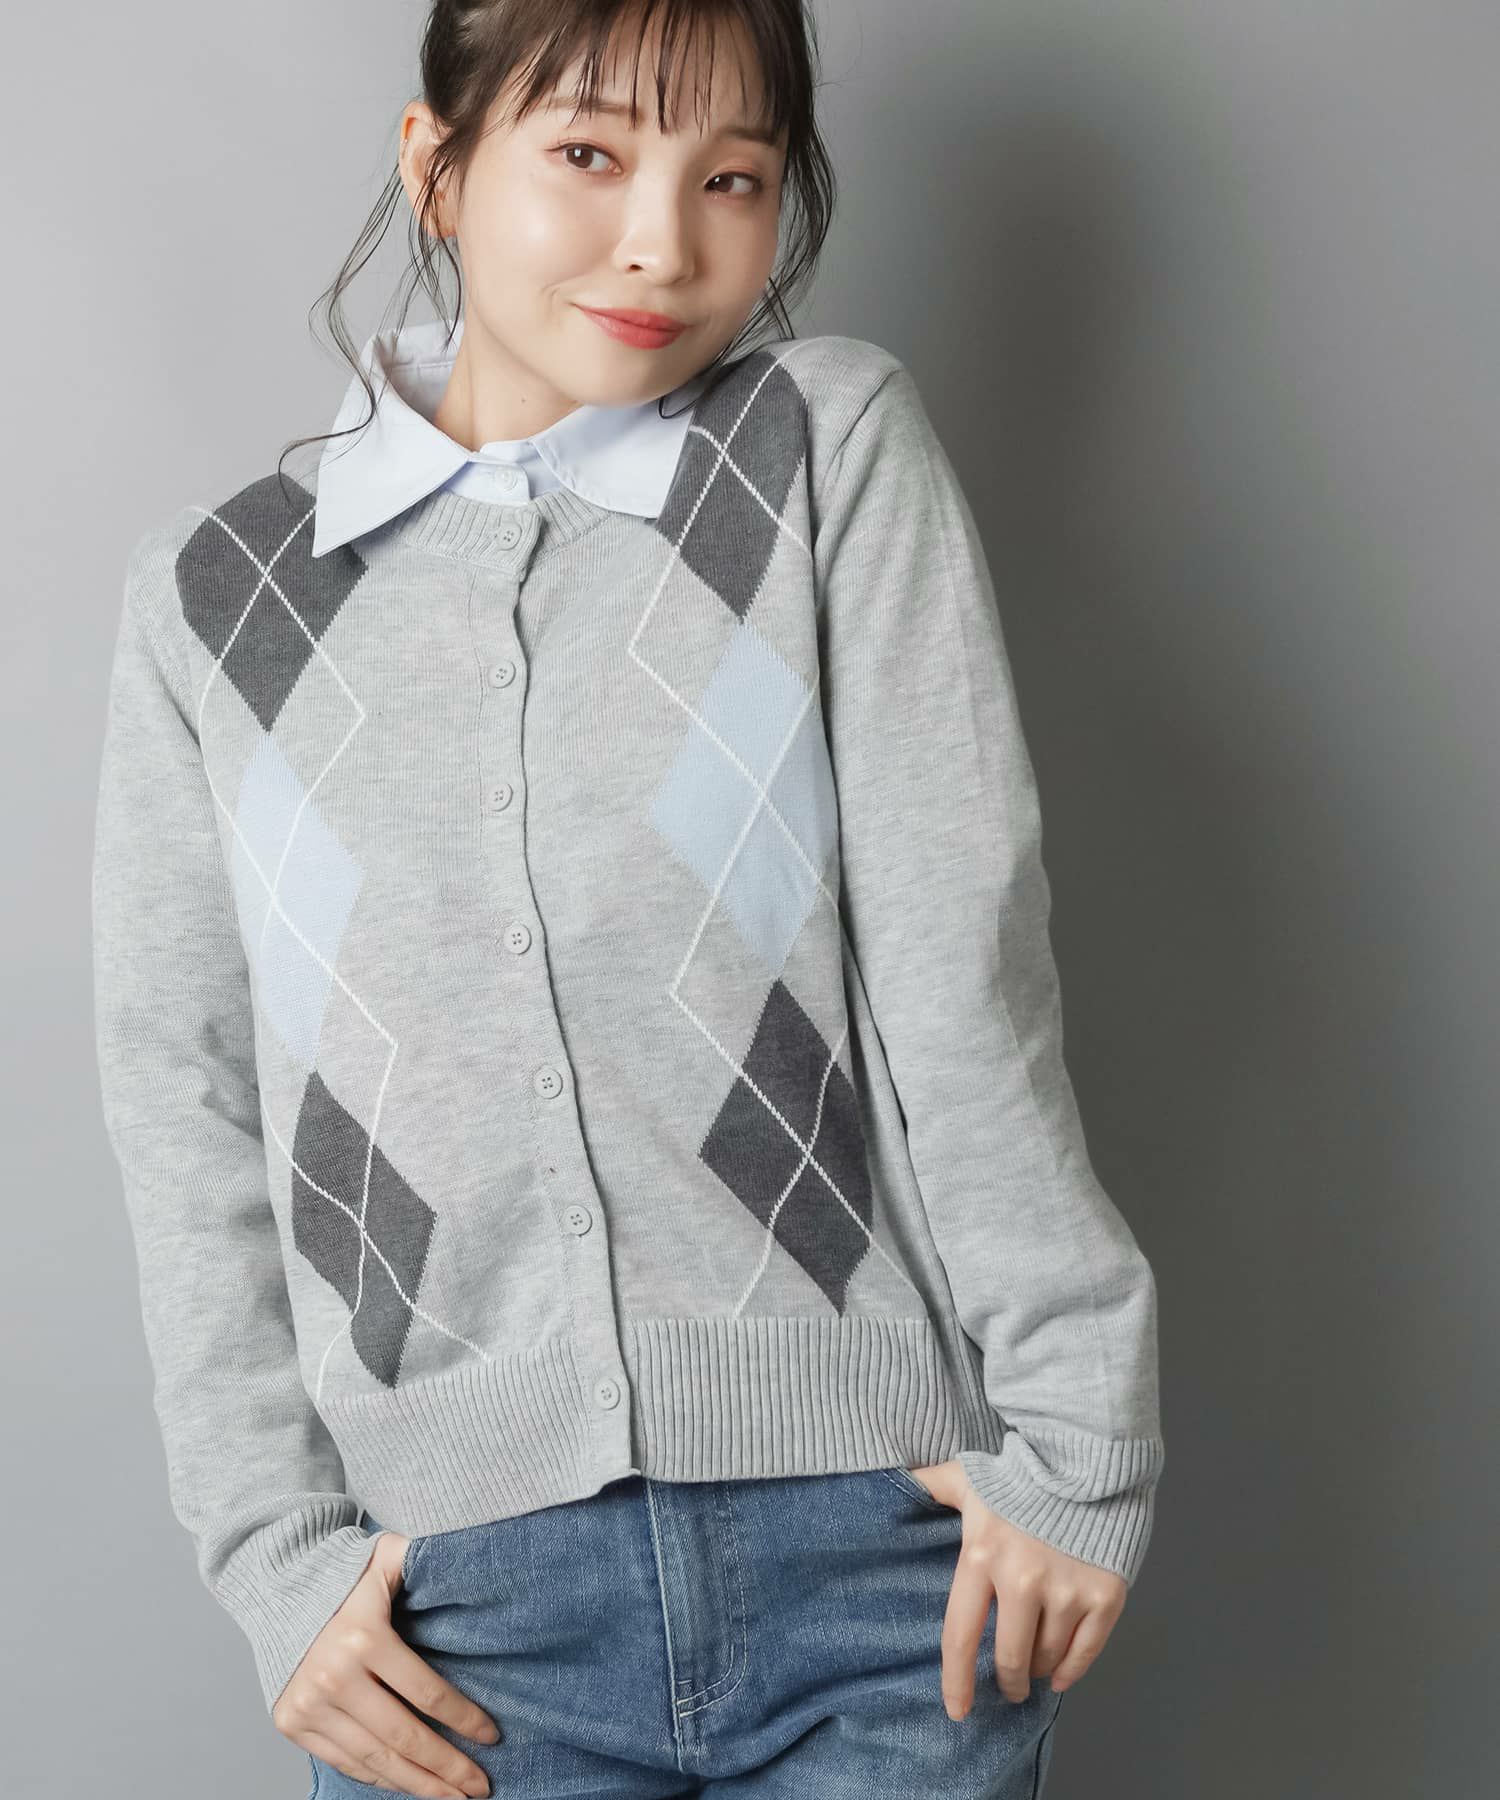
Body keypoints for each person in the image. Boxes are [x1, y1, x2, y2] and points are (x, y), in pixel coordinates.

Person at [90, 3, 1165, 1796]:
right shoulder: (220, 599)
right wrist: (275, 1562)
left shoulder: (819, 452)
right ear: (438, 167)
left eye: (732, 178)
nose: (663, 240)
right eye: (588, 154)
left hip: (884, 1572)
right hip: (457, 1629)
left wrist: (1081, 1447)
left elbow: (962, 962)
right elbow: (185, 1098)